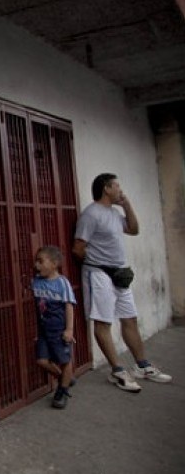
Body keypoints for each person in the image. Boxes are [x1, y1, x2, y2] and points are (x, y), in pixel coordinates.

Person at [72, 173, 172, 392]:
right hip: (99, 274)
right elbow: (78, 248)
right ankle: (117, 371)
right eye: (117, 186)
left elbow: (134, 230)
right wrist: (98, 265)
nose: (120, 189)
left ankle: (142, 366)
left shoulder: (114, 213)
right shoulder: (91, 214)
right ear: (106, 188)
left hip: (119, 274)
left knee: (130, 319)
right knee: (103, 322)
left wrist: (126, 205)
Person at [32, 246, 76, 409]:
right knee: (42, 360)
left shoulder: (62, 283)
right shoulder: (36, 281)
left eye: (41, 261)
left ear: (55, 263)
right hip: (44, 330)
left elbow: (69, 306)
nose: (37, 265)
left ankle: (62, 391)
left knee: (64, 361)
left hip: (59, 330)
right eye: (36, 261)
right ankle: (65, 378)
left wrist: (69, 330)